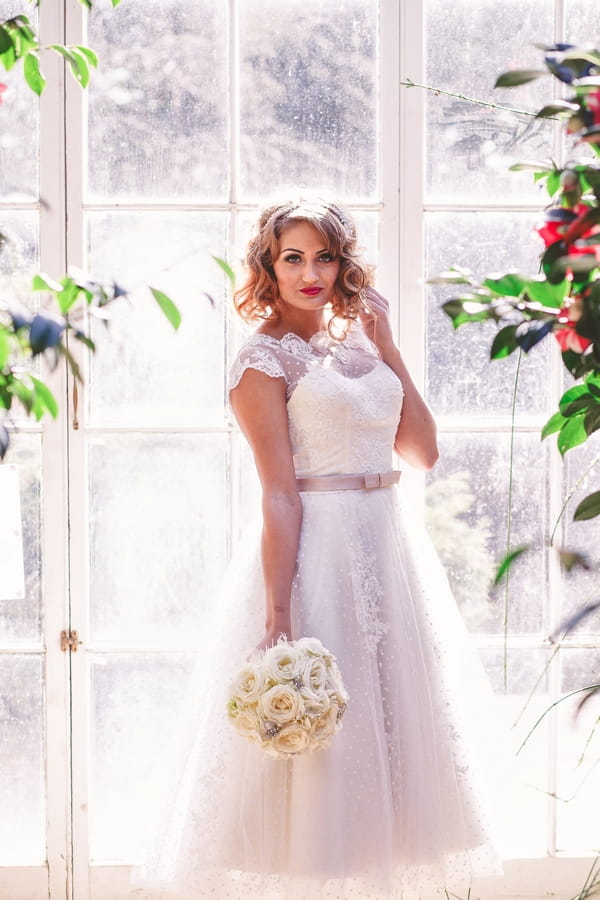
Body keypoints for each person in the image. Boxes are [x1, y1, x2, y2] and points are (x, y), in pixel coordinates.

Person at [136, 196, 503, 899]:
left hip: (387, 544)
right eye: (293, 257)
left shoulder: (359, 349)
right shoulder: (261, 364)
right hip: (319, 552)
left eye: (324, 256)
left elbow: (421, 452)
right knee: (328, 740)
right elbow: (279, 492)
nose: (311, 272)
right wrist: (279, 613)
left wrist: (390, 347)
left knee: (393, 725)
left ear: (344, 263)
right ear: (267, 267)